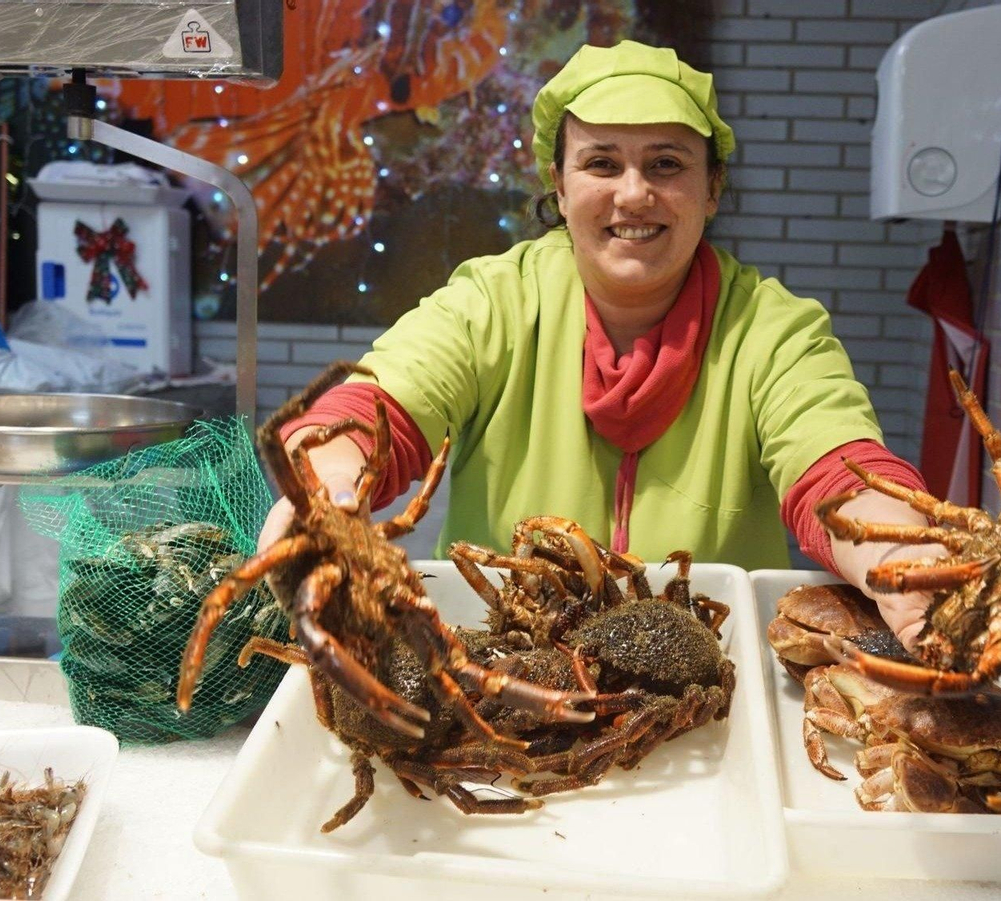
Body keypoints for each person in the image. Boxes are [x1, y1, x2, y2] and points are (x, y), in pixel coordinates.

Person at [259, 40, 940, 650]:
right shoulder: (494, 302)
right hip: (503, 668)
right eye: (602, 164)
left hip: (717, 676)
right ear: (559, 186)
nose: (634, 194)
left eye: (666, 164)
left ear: (712, 189)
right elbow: (377, 411)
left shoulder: (771, 329)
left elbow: (839, 468)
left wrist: (899, 552)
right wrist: (327, 491)